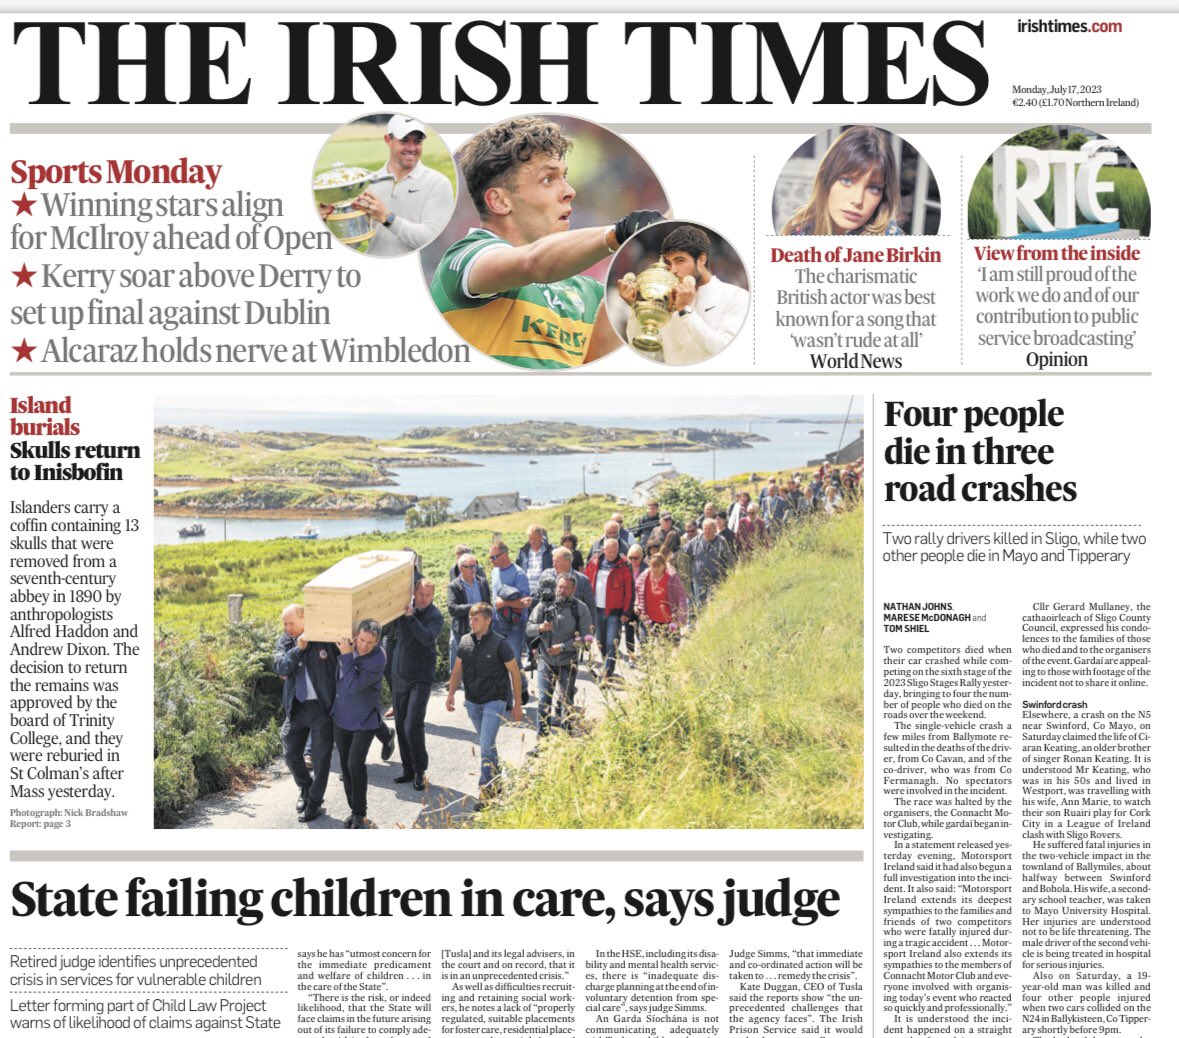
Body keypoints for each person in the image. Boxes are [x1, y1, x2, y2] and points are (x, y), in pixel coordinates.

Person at [429, 115, 664, 368]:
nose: (569, 191)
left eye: (565, 176)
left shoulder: (590, 291)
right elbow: (534, 263)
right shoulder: (466, 257)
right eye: (548, 179)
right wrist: (618, 233)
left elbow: (595, 368)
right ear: (499, 201)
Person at [619, 224, 749, 366]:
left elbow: (722, 349)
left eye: (680, 261)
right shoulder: (666, 300)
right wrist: (635, 308)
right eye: (669, 263)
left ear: (701, 260)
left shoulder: (736, 296)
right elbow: (648, 354)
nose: (673, 270)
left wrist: (685, 310)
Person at [345, 114, 454, 257]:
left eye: (418, 141)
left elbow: (433, 240)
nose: (412, 148)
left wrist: (387, 217)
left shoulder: (438, 183)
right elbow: (353, 242)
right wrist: (331, 220)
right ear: (388, 140)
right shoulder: (369, 183)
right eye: (404, 141)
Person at [447, 602, 524, 794]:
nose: (471, 622)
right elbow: (457, 671)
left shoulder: (500, 643)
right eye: (470, 619)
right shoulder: (465, 641)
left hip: (495, 701)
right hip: (472, 702)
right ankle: (497, 781)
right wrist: (450, 695)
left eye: (476, 619)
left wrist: (517, 705)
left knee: (485, 744)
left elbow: (515, 673)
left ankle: (486, 789)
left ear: (488, 621)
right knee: (486, 743)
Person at [273, 604, 339, 824]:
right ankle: (305, 787)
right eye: (284, 623)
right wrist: (297, 649)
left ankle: (315, 802)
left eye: (290, 623)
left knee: (321, 760)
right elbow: (280, 667)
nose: (287, 627)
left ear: (304, 619)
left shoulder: (324, 637)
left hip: (322, 709)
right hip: (297, 707)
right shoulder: (286, 641)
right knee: (291, 753)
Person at [782, 126, 904, 236]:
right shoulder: (799, 226)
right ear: (826, 179)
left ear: (883, 196)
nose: (857, 200)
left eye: (873, 188)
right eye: (847, 181)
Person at [389, 581, 443, 791]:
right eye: (420, 594)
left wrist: (410, 618)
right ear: (414, 592)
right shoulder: (404, 609)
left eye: (428, 595)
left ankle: (420, 770)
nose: (423, 598)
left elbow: (426, 638)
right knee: (401, 724)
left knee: (413, 724)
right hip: (400, 675)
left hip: (421, 677)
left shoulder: (435, 616)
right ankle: (407, 769)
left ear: (432, 596)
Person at [333, 619, 387, 829]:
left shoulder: (377, 660)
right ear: (355, 635)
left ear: (377, 642)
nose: (363, 646)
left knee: (355, 764)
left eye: (369, 642)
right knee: (345, 766)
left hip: (365, 720)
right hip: (342, 716)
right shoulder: (347, 643)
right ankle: (353, 810)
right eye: (361, 640)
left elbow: (354, 685)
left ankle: (360, 814)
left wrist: (346, 655)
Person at [526, 574, 593, 736]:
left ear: (573, 589)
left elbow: (586, 639)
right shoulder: (543, 605)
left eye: (566, 588)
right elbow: (529, 629)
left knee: (566, 702)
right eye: (560, 587)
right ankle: (542, 740)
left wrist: (562, 647)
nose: (562, 591)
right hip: (545, 661)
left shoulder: (580, 608)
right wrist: (541, 627)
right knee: (543, 702)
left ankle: (567, 737)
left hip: (568, 662)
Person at [584, 538, 634, 679]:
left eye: (614, 551)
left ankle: (607, 672)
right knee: (600, 641)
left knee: (611, 642)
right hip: (597, 610)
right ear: (603, 550)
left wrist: (626, 611)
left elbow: (629, 590)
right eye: (609, 551)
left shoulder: (624, 565)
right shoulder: (595, 562)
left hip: (615, 611)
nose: (612, 554)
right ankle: (607, 663)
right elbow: (587, 582)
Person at [489, 540, 532, 681]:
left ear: (505, 555)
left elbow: (526, 602)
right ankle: (505, 695)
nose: (491, 561)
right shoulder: (494, 572)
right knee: (498, 661)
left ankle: (522, 690)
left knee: (514, 661)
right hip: (496, 623)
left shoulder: (519, 574)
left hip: (515, 625)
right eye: (490, 557)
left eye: (494, 557)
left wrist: (505, 603)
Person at [446, 552, 491, 671]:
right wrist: (473, 607)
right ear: (461, 568)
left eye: (474, 566)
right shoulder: (454, 586)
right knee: (467, 663)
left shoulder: (483, 582)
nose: (473, 569)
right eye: (469, 567)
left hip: (482, 629)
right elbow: (452, 609)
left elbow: (488, 603)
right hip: (463, 630)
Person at [540, 546, 595, 636]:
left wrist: (591, 630)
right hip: (549, 628)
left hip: (573, 631)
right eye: (553, 561)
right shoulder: (546, 575)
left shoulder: (582, 580)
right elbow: (537, 596)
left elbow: (590, 606)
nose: (554, 564)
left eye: (557, 561)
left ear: (568, 562)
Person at [635, 552, 689, 636]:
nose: (655, 569)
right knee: (645, 645)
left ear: (664, 565)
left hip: (669, 621)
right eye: (653, 566)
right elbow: (637, 591)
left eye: (658, 566)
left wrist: (681, 617)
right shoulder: (644, 577)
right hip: (649, 620)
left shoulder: (673, 578)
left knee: (669, 647)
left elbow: (681, 597)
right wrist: (636, 604)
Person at [685, 518, 735, 606]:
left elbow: (730, 559)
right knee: (701, 606)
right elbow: (683, 552)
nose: (707, 531)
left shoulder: (721, 541)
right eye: (705, 529)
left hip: (716, 579)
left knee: (716, 604)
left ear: (715, 529)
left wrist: (732, 574)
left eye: (709, 529)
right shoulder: (696, 541)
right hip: (699, 579)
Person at [621, 544, 647, 656]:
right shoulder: (624, 568)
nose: (633, 560)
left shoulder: (646, 569)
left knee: (642, 631)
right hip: (628, 605)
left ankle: (645, 655)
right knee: (629, 631)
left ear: (641, 557)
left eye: (636, 558)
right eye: (630, 558)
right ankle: (631, 656)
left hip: (642, 604)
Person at [515, 524, 553, 597]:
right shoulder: (523, 552)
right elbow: (517, 572)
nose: (532, 541)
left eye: (534, 538)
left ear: (541, 537)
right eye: (530, 539)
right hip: (526, 595)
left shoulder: (550, 551)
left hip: (545, 595)